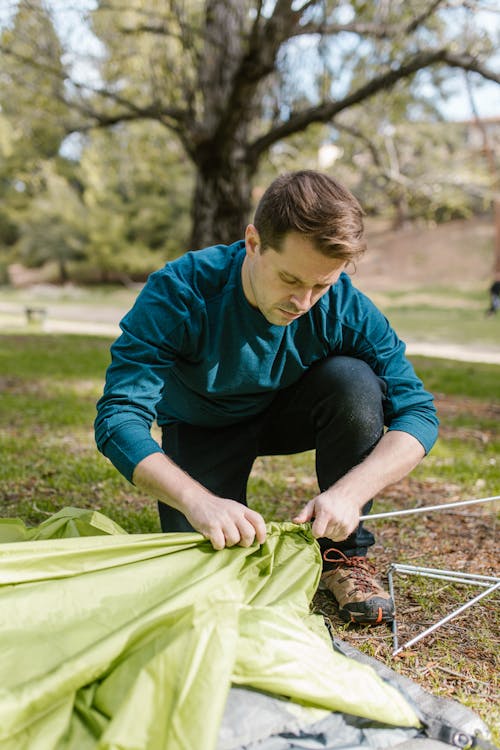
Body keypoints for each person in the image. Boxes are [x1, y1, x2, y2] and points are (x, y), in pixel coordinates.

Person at [95, 170, 438, 625]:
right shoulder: (180, 291)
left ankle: (343, 557)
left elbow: (418, 413)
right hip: (203, 422)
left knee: (353, 380)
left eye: (322, 285)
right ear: (253, 243)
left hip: (288, 413)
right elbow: (118, 418)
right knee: (204, 566)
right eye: (290, 278)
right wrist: (198, 501)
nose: (303, 301)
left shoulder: (343, 307)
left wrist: (350, 494)